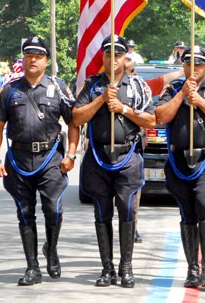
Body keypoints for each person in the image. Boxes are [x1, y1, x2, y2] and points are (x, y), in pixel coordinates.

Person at [0, 36, 79, 286]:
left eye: (38, 56)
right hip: (18, 160)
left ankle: (51, 249)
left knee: (54, 210)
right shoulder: (11, 89)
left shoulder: (58, 87)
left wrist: (71, 154)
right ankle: (32, 268)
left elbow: (73, 123)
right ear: (24, 59)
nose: (33, 60)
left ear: (46, 60)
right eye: (29, 55)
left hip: (50, 159)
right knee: (25, 213)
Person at [73, 35, 155, 288]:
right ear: (103, 57)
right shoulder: (92, 85)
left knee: (127, 210)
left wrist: (123, 109)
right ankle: (107, 268)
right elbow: (76, 117)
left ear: (125, 58)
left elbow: (151, 121)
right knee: (102, 211)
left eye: (117, 54)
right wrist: (100, 100)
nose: (113, 59)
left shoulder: (138, 86)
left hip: (127, 156)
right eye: (108, 54)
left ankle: (126, 267)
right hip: (98, 157)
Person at [155, 46, 205, 289]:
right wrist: (182, 97)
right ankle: (192, 269)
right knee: (187, 212)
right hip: (179, 162)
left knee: (203, 202)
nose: (193, 69)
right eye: (188, 64)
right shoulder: (173, 89)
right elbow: (160, 116)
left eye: (198, 65)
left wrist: (201, 102)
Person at [124, 59, 183, 243]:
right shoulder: (108, 89)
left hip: (135, 147)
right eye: (128, 71)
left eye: (133, 70)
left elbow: (165, 79)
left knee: (135, 191)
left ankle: (132, 227)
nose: (132, 74)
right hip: (110, 149)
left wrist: (183, 70)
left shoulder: (143, 87)